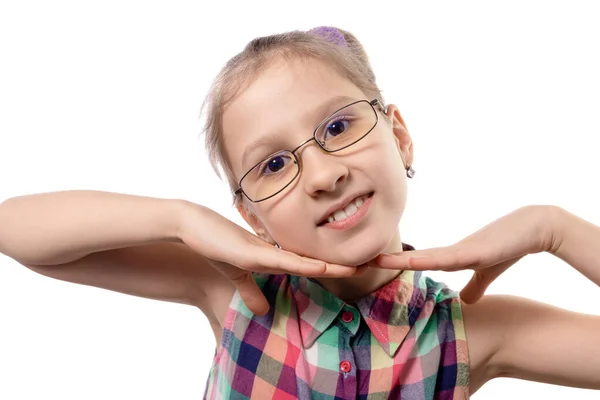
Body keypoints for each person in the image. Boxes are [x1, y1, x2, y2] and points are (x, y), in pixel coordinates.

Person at [0, 26, 598, 399]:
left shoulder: (471, 329)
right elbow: (15, 230)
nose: (322, 174)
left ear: (400, 136)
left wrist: (556, 230)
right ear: (250, 215)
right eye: (274, 165)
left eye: (339, 126)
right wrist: (180, 218)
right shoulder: (235, 294)